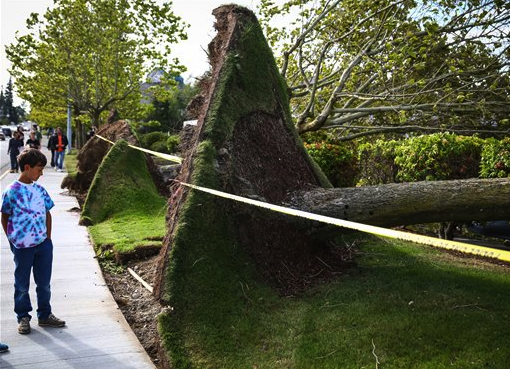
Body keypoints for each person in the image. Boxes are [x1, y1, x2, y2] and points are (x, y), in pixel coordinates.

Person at [1, 149, 66, 335]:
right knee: (21, 284)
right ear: (27, 168)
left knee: (44, 283)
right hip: (22, 247)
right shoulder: (11, 191)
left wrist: (48, 239)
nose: (42, 173)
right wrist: (11, 239)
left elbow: (47, 213)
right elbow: (4, 216)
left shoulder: (40, 190)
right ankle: (23, 316)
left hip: (43, 245)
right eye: (39, 169)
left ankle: (45, 315)